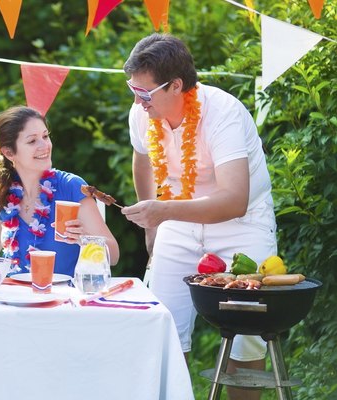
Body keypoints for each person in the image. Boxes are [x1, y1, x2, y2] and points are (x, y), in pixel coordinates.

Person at [121, 33, 276, 400]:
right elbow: (142, 158)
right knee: (163, 327)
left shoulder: (222, 113)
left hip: (242, 225)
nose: (136, 101)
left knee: (247, 337)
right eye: (132, 89)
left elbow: (234, 200)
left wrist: (162, 211)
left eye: (144, 93)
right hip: (176, 218)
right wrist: (153, 223)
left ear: (176, 85)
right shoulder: (143, 113)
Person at [0, 106, 119, 276]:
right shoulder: (3, 190)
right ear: (9, 152)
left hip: (64, 298)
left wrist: (85, 240)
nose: (45, 145)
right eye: (32, 141)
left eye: (45, 136)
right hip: (14, 296)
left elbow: (113, 255)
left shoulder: (71, 186)